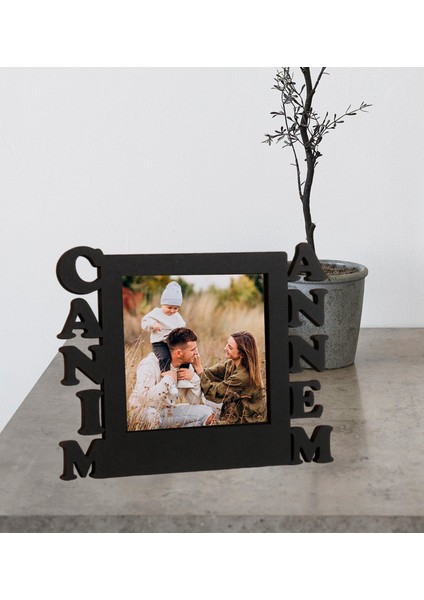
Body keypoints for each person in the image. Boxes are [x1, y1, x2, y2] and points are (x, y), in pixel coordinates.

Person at [127, 327, 214, 430]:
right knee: (152, 417)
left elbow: (194, 401)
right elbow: (144, 398)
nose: (196, 353)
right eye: (193, 350)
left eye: (196, 348)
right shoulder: (149, 364)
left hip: (167, 412)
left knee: (207, 413)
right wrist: (168, 380)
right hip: (142, 411)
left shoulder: (186, 367)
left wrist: (194, 378)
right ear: (179, 353)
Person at [190, 331, 267, 424]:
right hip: (232, 410)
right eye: (227, 344)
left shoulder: (242, 377)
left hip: (245, 420)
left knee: (199, 421)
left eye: (230, 348)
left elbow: (214, 392)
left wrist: (198, 368)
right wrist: (190, 367)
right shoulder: (231, 364)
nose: (225, 348)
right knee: (201, 408)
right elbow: (209, 373)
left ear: (241, 354)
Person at [141, 281, 193, 392]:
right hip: (160, 343)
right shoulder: (156, 313)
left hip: (173, 343)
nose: (172, 311)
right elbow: (144, 321)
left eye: (176, 308)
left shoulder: (177, 317)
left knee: (186, 354)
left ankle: (182, 379)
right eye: (169, 307)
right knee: (165, 357)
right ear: (163, 304)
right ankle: (167, 378)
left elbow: (182, 327)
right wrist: (153, 324)